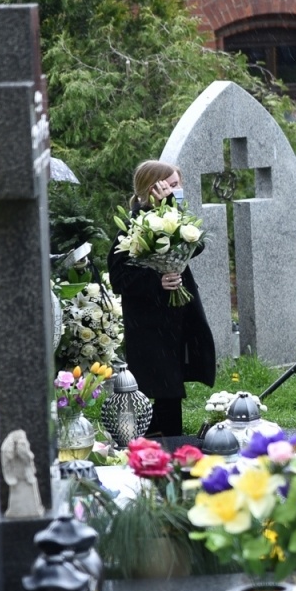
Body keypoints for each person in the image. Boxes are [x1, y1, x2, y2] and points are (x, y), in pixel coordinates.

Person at [108, 160, 216, 436]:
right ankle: (157, 436)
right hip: (148, 319)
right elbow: (119, 277)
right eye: (172, 185)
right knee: (160, 380)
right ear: (152, 188)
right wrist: (157, 281)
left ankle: (164, 433)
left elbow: (196, 244)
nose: (177, 190)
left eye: (178, 185)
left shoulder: (173, 217)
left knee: (171, 380)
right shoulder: (134, 226)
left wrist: (170, 210)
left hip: (176, 313)